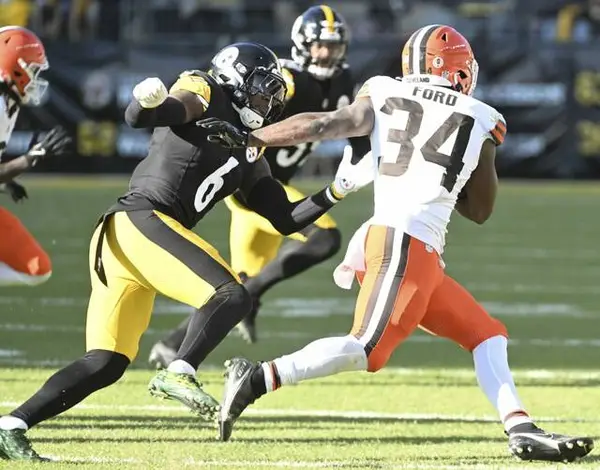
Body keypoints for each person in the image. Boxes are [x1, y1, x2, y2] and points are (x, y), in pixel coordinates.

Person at [200, 25, 595, 463]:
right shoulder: (482, 116)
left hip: (402, 246)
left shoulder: (384, 91)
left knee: (487, 335)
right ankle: (257, 377)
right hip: (405, 244)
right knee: (367, 349)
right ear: (457, 70)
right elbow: (480, 210)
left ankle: (521, 428)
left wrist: (253, 137)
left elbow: (326, 124)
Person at [0, 41, 371, 461]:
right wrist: (145, 102)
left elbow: (284, 218)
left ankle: (11, 425)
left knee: (105, 362)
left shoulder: (251, 148)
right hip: (140, 220)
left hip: (124, 239)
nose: (267, 103)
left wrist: (338, 188)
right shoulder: (205, 89)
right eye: (262, 90)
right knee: (231, 295)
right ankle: (179, 370)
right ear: (235, 79)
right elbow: (152, 114)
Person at [148, 5, 371, 366]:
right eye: (319, 45)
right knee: (324, 237)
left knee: (240, 289)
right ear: (302, 44)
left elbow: (355, 129)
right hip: (250, 187)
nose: (326, 54)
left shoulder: (344, 82)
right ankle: (210, 329)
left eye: (333, 46)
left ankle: (171, 345)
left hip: (270, 188)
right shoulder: (289, 79)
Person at [0, 26, 70, 288]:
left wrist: (7, 181)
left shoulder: (8, 103)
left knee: (37, 268)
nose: (35, 78)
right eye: (32, 69)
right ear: (14, 66)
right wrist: (30, 158)